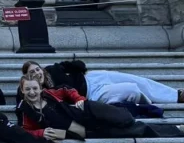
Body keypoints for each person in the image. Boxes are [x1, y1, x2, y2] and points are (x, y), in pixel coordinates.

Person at [18, 75, 184, 141]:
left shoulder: (49, 94)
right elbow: (24, 131)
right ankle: (176, 129)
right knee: (132, 130)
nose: (32, 92)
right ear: (22, 90)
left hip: (89, 111)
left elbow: (67, 90)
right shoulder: (25, 111)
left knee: (125, 119)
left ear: (40, 88)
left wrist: (79, 99)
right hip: (85, 131)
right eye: (28, 89)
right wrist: (41, 133)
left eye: (34, 88)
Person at [22, 59, 184, 107]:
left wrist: (75, 68)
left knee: (136, 80)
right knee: (132, 89)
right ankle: (150, 105)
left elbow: (78, 65)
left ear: (41, 68)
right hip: (92, 94)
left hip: (93, 78)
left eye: (37, 69)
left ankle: (176, 95)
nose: (36, 73)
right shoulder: (40, 91)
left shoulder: (53, 69)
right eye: (32, 73)